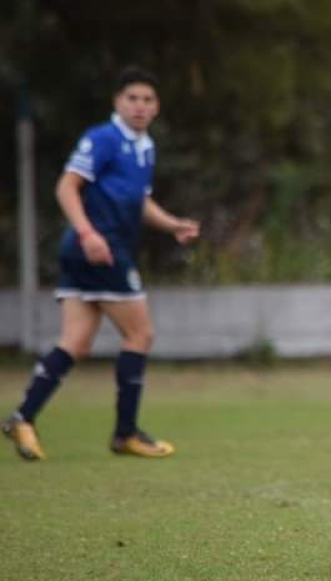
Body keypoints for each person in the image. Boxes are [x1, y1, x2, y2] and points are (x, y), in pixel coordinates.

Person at [2, 66, 199, 461]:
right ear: (117, 102)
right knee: (140, 334)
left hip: (88, 252)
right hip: (99, 250)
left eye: (147, 100)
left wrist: (171, 224)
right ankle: (125, 432)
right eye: (132, 98)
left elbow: (138, 200)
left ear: (156, 106)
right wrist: (89, 234)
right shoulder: (103, 139)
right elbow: (66, 186)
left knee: (75, 342)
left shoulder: (145, 147)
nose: (140, 106)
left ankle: (23, 417)